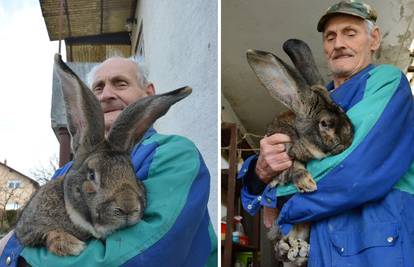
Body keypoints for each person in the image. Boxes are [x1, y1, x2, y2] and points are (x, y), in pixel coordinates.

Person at [239, 1, 414, 266]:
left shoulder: (385, 81)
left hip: (374, 249)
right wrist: (259, 173)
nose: (339, 43)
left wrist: (274, 196)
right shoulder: (317, 100)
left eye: (350, 33)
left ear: (374, 39)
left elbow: (355, 166)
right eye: (330, 37)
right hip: (323, 249)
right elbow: (269, 167)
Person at [0, 57, 217, 267]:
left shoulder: (174, 153)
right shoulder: (67, 172)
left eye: (120, 83)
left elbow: (140, 256)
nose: (106, 95)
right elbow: (33, 223)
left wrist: (14, 252)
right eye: (98, 88)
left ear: (148, 93)